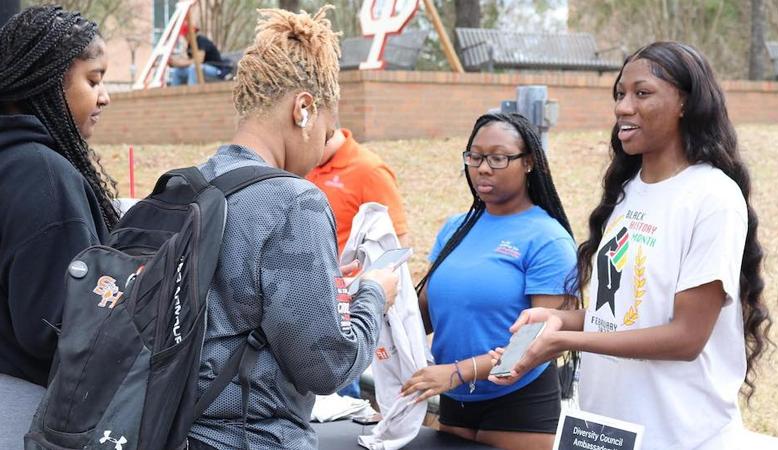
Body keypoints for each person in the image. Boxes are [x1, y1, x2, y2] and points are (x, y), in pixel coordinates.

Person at [490, 42, 772, 450]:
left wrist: (566, 342)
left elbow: (686, 337)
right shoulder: (627, 192)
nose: (623, 107)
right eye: (620, 94)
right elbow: (620, 315)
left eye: (642, 93)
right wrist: (556, 322)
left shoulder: (712, 197)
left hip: (681, 436)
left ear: (685, 104)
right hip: (606, 431)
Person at [186, 7, 398, 450]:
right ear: (303, 108)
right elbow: (326, 367)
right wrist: (374, 294)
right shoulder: (293, 201)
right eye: (326, 132)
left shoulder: (190, 182)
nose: (323, 148)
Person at [399, 113, 577, 450]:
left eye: (498, 158)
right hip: (455, 397)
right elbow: (423, 311)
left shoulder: (547, 239)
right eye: (475, 157)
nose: (483, 168)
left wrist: (457, 371)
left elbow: (537, 342)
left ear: (528, 163)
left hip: (519, 404)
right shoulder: (455, 228)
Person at [0, 4, 115, 447]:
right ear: (47, 80)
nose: (103, 97)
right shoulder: (45, 177)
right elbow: (55, 327)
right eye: (94, 80)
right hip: (27, 414)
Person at [306, 127, 410, 398]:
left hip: (348, 308)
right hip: (305, 304)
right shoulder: (304, 163)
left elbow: (396, 243)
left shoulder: (369, 170)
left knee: (339, 397)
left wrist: (371, 293)